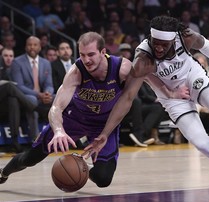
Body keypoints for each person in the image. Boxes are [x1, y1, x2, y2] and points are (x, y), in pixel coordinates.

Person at [84, 16, 209, 190]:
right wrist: (105, 133)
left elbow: (208, 47)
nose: (160, 48)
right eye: (156, 43)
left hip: (192, 77)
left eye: (164, 44)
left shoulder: (186, 36)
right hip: (172, 98)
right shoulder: (143, 57)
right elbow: (128, 98)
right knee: (202, 145)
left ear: (174, 38)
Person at [0, 32, 133, 187]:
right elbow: (56, 107)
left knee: (103, 179)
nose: (86, 60)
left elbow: (135, 90)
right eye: (82, 55)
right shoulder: (76, 71)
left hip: (104, 125)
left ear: (103, 52)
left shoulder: (122, 69)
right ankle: (4, 172)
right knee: (30, 157)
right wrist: (58, 130)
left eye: (91, 54)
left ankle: (78, 163)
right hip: (74, 119)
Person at [10, 36, 54, 136]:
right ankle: (35, 137)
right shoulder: (17, 62)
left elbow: (49, 84)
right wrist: (39, 95)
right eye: (29, 45)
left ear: (40, 47)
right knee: (32, 99)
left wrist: (47, 93)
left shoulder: (46, 63)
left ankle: (58, 135)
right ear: (26, 47)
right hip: (26, 96)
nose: (32, 47)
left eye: (35, 45)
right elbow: (19, 86)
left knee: (58, 99)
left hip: (42, 95)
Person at [0, 48, 36, 152]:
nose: (8, 58)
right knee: (9, 86)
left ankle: (15, 141)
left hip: (8, 105)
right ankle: (36, 108)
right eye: (5, 56)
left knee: (13, 100)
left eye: (11, 56)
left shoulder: (15, 68)